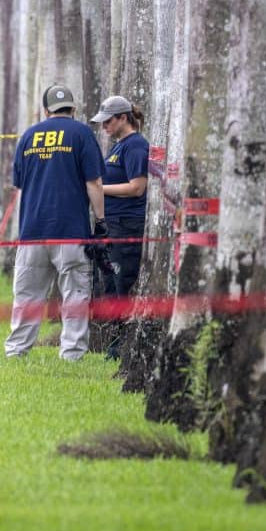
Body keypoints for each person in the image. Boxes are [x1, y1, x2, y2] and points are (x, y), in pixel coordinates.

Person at [4, 84, 106, 360]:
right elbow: (94, 184)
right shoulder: (82, 134)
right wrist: (101, 220)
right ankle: (72, 354)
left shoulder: (28, 137)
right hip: (71, 231)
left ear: (45, 110)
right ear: (73, 108)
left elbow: (19, 185)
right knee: (75, 295)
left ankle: (16, 351)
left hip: (32, 231)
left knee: (27, 297)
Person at [90, 96, 149, 359]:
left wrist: (99, 189)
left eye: (108, 121)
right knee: (111, 284)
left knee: (122, 282)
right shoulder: (118, 146)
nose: (104, 126)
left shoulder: (136, 146)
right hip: (113, 224)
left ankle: (120, 345)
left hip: (127, 225)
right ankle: (113, 342)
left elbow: (137, 187)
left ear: (123, 118)